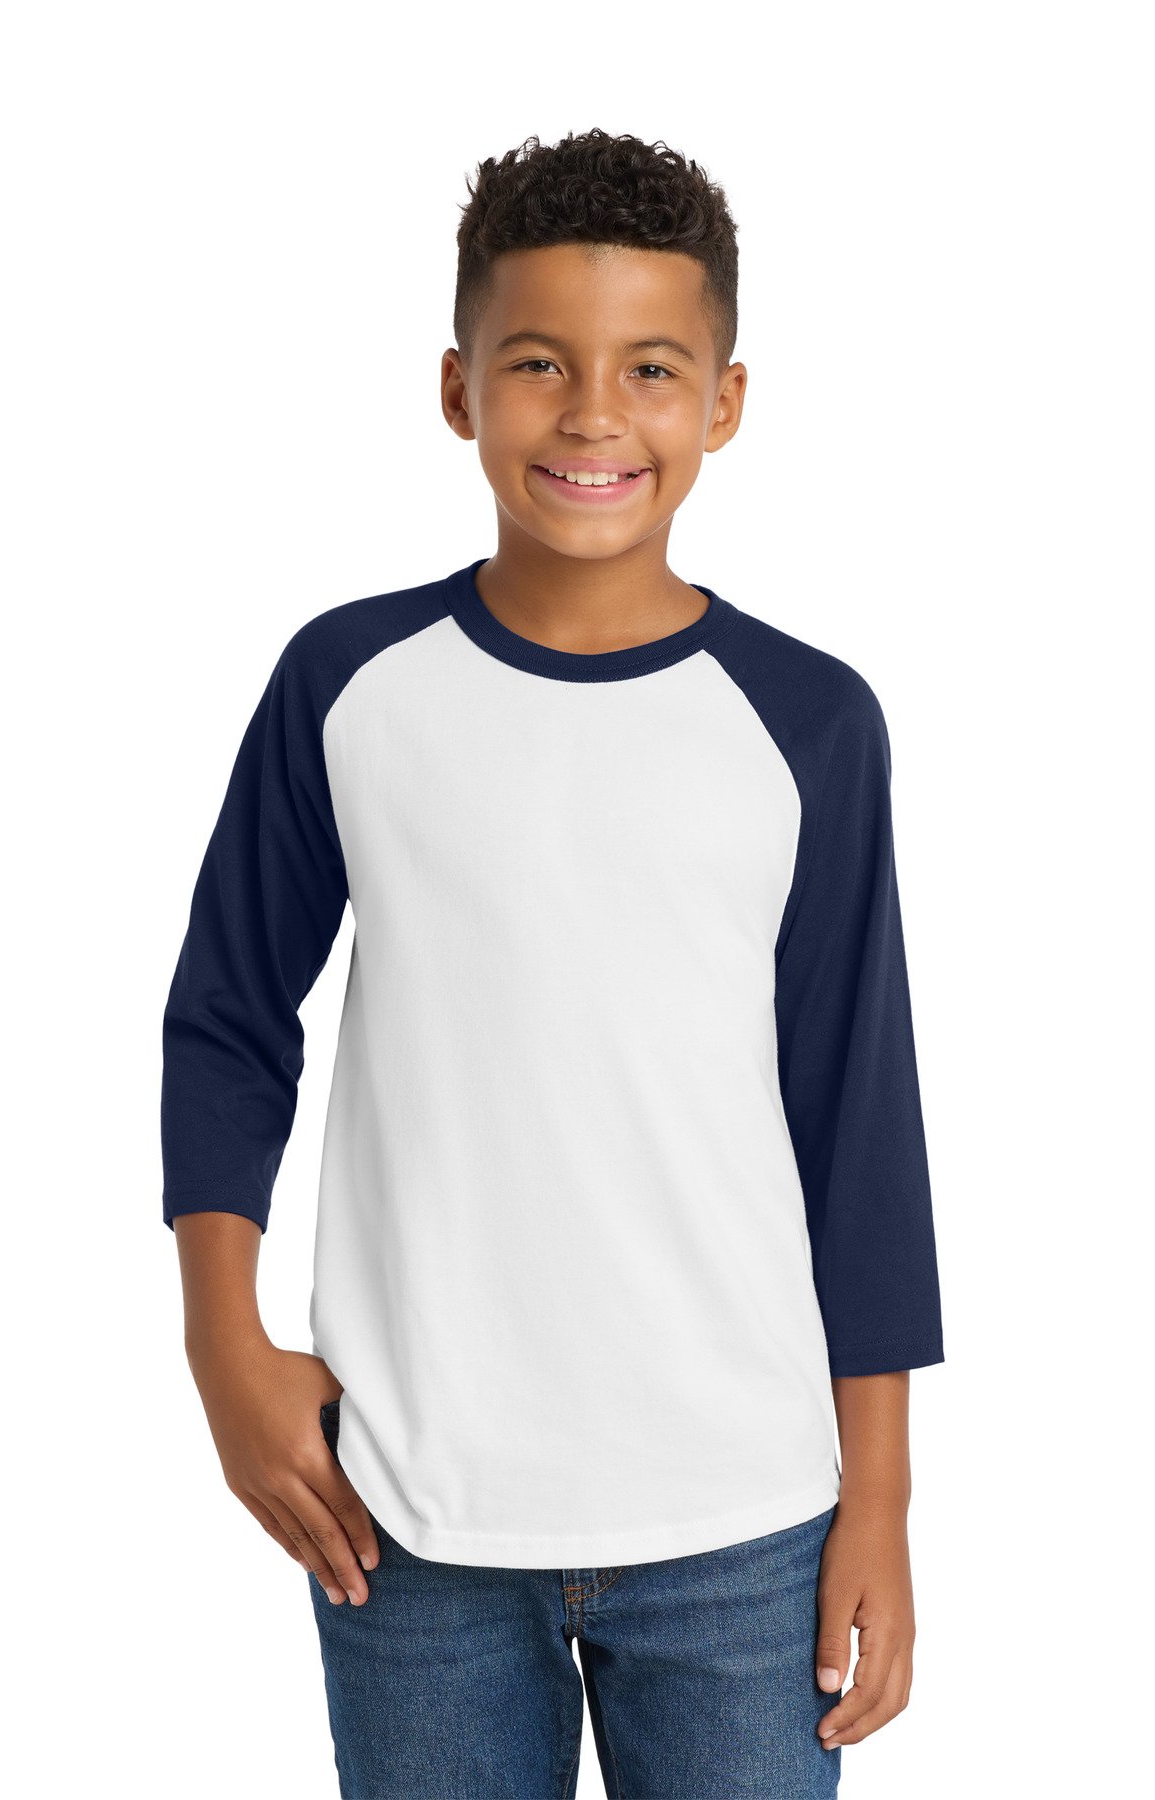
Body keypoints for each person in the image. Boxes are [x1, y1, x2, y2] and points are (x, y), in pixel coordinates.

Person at [161, 126, 945, 1799]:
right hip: (409, 1523)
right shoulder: (348, 684)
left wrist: (877, 1489)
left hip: (741, 1525)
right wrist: (223, 1343)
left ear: (725, 402)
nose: (594, 415)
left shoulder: (811, 721)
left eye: (651, 368)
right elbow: (228, 1016)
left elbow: (857, 1116)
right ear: (459, 390)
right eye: (539, 364)